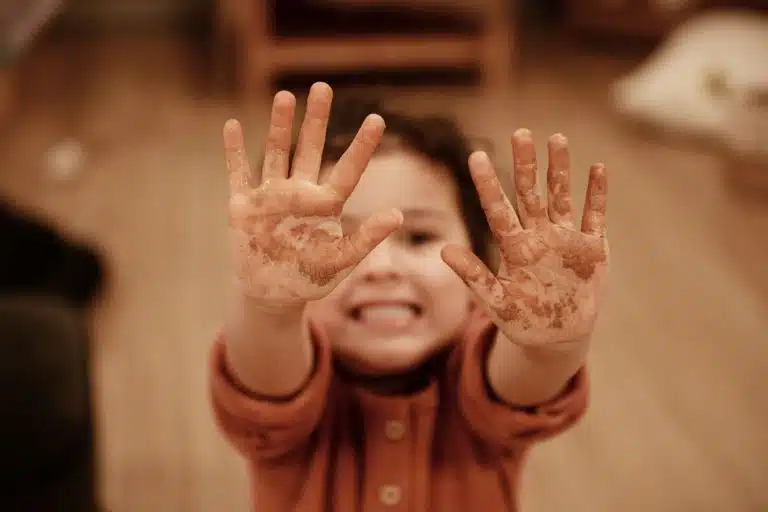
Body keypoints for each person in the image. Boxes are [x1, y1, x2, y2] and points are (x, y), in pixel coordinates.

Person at [209, 82, 609, 511]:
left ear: (482, 266)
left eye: (418, 237)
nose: (381, 269)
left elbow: (528, 378)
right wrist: (270, 308)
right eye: (340, 240)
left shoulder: (482, 366)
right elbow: (266, 373)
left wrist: (550, 346)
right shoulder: (285, 365)